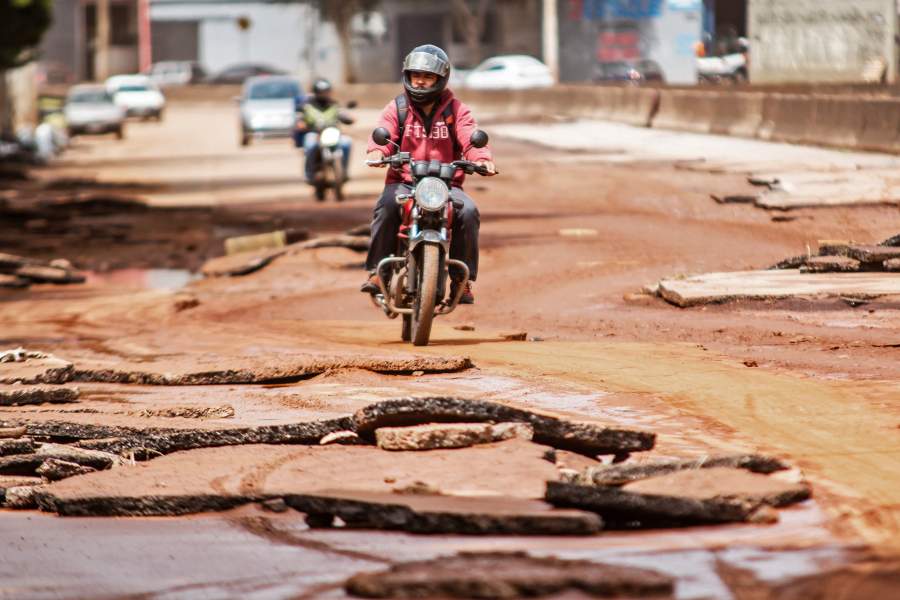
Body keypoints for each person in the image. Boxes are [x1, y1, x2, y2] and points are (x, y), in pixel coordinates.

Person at [362, 44, 495, 304]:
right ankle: (378, 272)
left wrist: (481, 158)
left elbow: (470, 137)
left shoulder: (457, 110)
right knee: (387, 207)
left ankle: (462, 280)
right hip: (404, 182)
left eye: (428, 76)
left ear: (440, 79)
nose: (420, 82)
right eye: (416, 76)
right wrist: (378, 151)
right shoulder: (398, 108)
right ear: (408, 76)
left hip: (447, 185)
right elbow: (384, 132)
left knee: (468, 212)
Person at [296, 78, 353, 184]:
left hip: (332, 133)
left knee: (346, 143)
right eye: (321, 92)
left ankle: (343, 171)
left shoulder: (334, 104)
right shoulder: (307, 105)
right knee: (311, 145)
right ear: (316, 92)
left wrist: (349, 119)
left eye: (326, 91)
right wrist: (301, 123)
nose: (324, 94)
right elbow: (299, 118)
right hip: (314, 133)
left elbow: (342, 115)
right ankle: (309, 174)